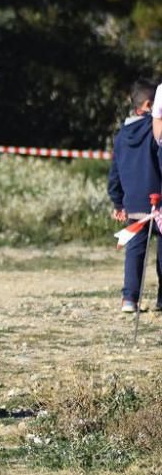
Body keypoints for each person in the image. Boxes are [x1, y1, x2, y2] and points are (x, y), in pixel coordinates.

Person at [109, 78, 162, 313]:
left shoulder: (120, 136)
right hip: (158, 201)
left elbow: (115, 171)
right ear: (150, 104)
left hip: (133, 204)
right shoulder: (154, 130)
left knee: (134, 252)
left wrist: (117, 200)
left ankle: (129, 299)